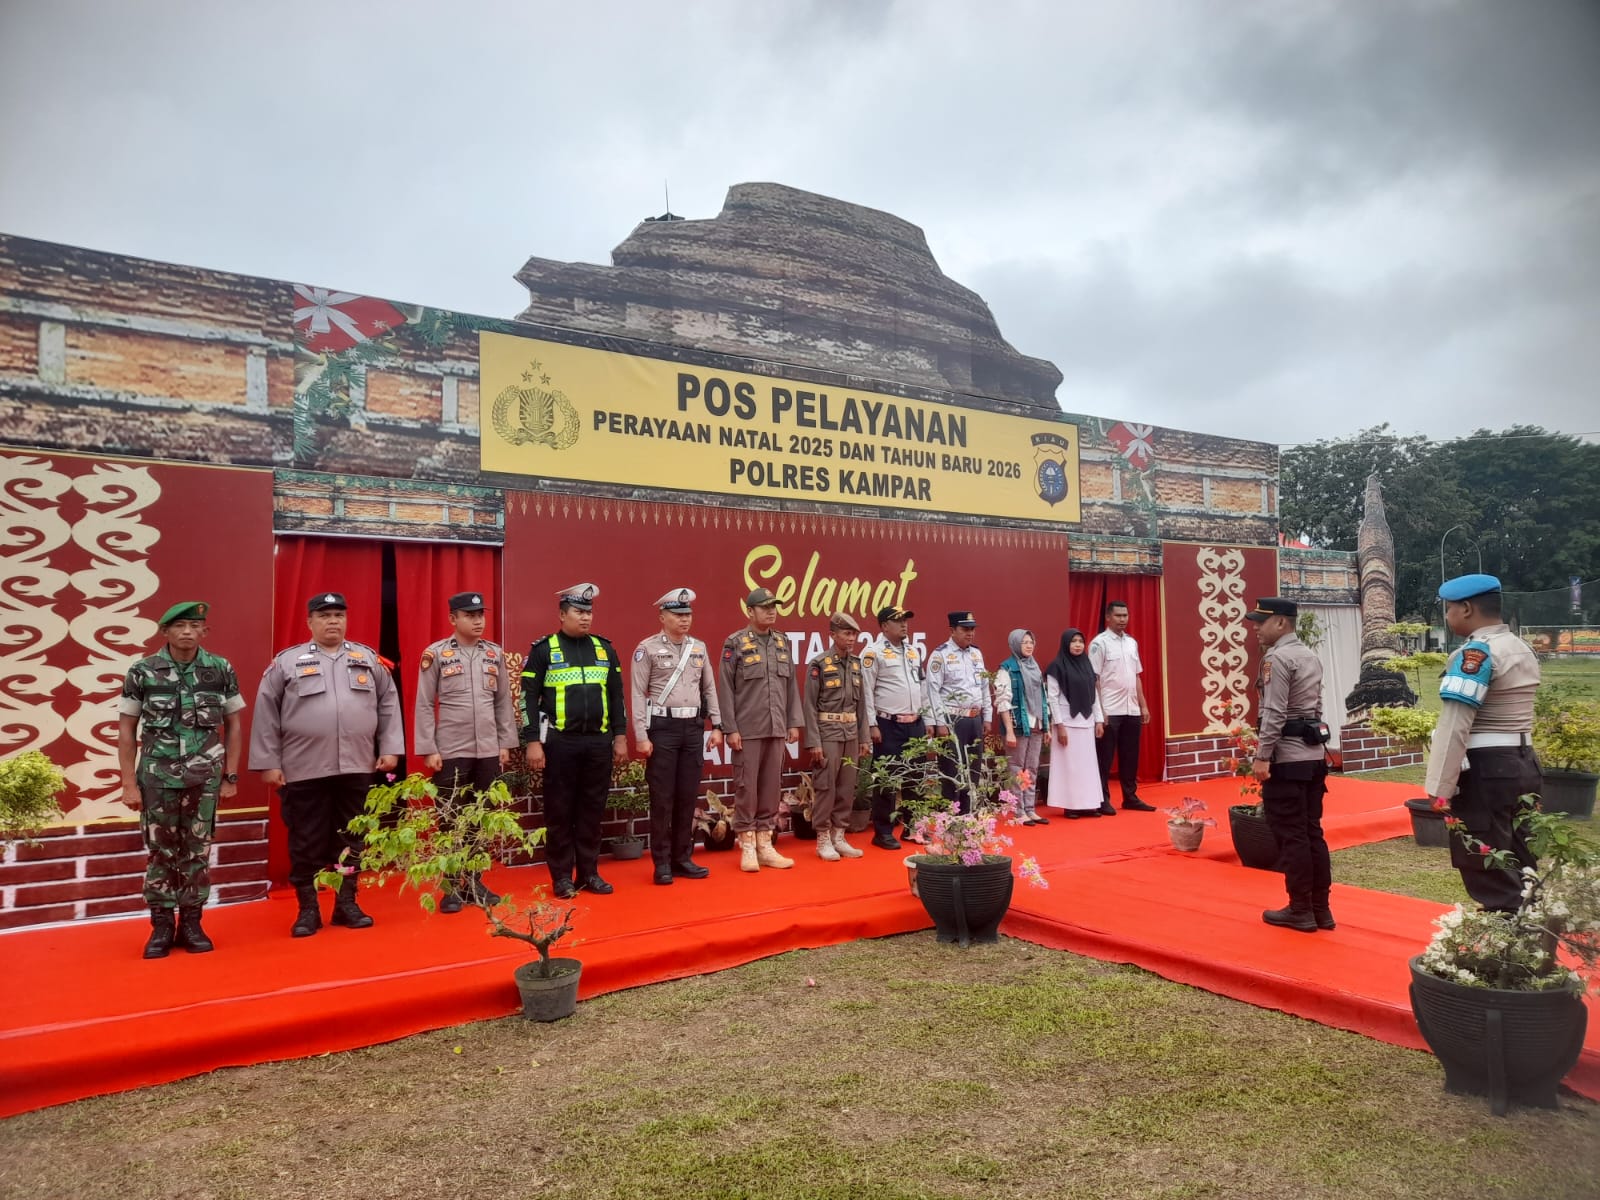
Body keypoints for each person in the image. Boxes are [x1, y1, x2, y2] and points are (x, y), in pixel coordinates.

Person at [250, 592, 403, 937]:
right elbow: (265, 713)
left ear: (346, 620)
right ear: (310, 622)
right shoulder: (287, 663)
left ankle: (346, 904)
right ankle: (307, 909)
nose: (332, 621)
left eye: (338, 615)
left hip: (356, 765)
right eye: (324, 615)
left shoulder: (366, 658)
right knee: (306, 841)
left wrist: (391, 747)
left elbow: (388, 705)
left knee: (353, 836)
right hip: (304, 769)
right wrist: (268, 763)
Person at [118, 601, 244, 959]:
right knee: (161, 851)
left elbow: (233, 724)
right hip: (157, 778)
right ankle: (160, 926)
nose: (188, 632)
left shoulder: (220, 669)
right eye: (180, 626)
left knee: (198, 850)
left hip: (204, 777)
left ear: (204, 631)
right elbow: (126, 729)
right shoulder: (143, 671)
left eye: (195, 625)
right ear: (166, 631)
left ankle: (192, 922)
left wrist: (230, 776)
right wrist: (129, 783)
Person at [1424, 574, 1542, 912]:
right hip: (1523, 763)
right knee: (1522, 860)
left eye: (1448, 609)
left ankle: (1506, 954)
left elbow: (1455, 724)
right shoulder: (1521, 647)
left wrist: (1440, 784)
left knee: (1488, 863)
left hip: (1486, 770)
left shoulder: (1475, 654)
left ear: (1466, 608)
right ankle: (1531, 943)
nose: (1447, 617)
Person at [520, 583, 629, 899]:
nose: (585, 618)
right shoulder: (544, 650)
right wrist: (532, 742)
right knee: (559, 812)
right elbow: (527, 698)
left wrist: (620, 737)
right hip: (560, 743)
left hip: (598, 744)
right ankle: (562, 878)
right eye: (579, 612)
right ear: (562, 614)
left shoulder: (604, 649)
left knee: (592, 811)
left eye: (589, 612)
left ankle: (589, 874)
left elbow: (617, 695)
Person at [414, 590, 517, 912]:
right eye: (470, 616)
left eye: (480, 615)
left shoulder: (494, 654)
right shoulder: (437, 654)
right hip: (451, 749)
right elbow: (424, 703)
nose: (477, 621)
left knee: (480, 818)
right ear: (453, 619)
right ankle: (450, 887)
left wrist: (504, 744)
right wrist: (428, 748)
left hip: (487, 748)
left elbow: (502, 702)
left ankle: (474, 881)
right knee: (450, 819)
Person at [1247, 597, 1333, 932]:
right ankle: (1320, 909)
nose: (1255, 627)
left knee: (1292, 835)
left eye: (1261, 621)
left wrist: (1263, 754)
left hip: (1286, 757)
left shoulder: (1277, 658)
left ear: (1281, 623)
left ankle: (1300, 909)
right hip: (1312, 757)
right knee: (1312, 832)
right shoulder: (1309, 654)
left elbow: (1274, 712)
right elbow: (1317, 706)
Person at [631, 587, 724, 886]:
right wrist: (641, 735)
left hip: (693, 729)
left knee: (687, 796)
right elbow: (636, 693)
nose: (684, 620)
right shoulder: (647, 648)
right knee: (662, 799)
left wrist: (718, 726)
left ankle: (683, 858)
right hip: (662, 728)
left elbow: (709, 688)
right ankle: (661, 862)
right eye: (677, 614)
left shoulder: (699, 647)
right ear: (662, 616)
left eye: (688, 614)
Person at [716, 587, 803, 872]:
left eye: (773, 607)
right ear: (749, 611)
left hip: (776, 726)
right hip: (747, 728)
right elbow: (725, 689)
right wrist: (730, 728)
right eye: (764, 607)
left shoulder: (781, 642)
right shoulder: (736, 643)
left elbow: (790, 684)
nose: (771, 611)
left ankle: (766, 844)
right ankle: (748, 845)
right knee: (746, 788)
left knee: (770, 787)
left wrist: (793, 721)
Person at [802, 612, 872, 861]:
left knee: (846, 786)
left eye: (854, 634)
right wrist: (813, 742)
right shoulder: (819, 664)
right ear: (833, 635)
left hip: (851, 733)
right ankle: (823, 838)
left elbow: (862, 705)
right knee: (825, 786)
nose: (851, 638)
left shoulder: (855, 664)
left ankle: (839, 836)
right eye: (846, 633)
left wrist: (864, 738)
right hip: (827, 732)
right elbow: (809, 706)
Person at [860, 605, 927, 850]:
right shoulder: (872, 653)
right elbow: (866, 692)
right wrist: (871, 725)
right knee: (887, 780)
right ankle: (883, 832)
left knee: (915, 778)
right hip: (887, 724)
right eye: (898, 621)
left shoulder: (912, 651)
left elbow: (922, 685)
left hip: (915, 723)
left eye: (906, 620)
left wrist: (927, 720)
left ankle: (912, 828)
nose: (904, 625)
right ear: (884, 626)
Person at [1090, 599, 1155, 813]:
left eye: (1125, 616)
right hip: (1110, 709)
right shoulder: (1099, 643)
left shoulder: (1131, 643)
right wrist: (1100, 711)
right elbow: (1095, 679)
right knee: (1105, 757)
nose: (1122, 620)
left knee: (1130, 755)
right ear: (1108, 617)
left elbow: (1136, 676)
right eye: (1118, 616)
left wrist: (1143, 706)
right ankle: (1102, 799)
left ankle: (1130, 796)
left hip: (1131, 708)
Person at [925, 611, 993, 815]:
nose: (970, 633)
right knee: (952, 770)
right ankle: (951, 817)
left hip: (975, 718)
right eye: (965, 629)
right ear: (952, 630)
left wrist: (987, 716)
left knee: (973, 770)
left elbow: (984, 686)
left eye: (972, 629)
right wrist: (939, 722)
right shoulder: (941, 655)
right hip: (952, 719)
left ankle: (968, 815)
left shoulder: (976, 653)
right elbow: (932, 691)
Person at [1044, 629, 1105, 819]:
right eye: (1073, 641)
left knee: (1087, 766)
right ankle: (1070, 805)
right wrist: (1059, 726)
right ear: (1065, 644)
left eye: (1080, 641)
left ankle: (1088, 804)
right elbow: (1052, 698)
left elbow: (1093, 696)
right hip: (1067, 723)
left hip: (1086, 722)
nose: (1078, 645)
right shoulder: (1056, 667)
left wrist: (1099, 720)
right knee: (1069, 766)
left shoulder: (1087, 665)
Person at [994, 629, 1048, 824]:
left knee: (1031, 768)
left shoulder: (1035, 667)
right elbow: (1003, 702)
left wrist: (1046, 727)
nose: (1028, 645)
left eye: (1031, 641)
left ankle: (1030, 808)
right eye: (1024, 642)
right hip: (1017, 726)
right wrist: (1009, 730)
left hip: (1036, 724)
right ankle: (1018, 812)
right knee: (1016, 768)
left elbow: (1042, 699)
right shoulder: (1007, 669)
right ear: (1015, 644)